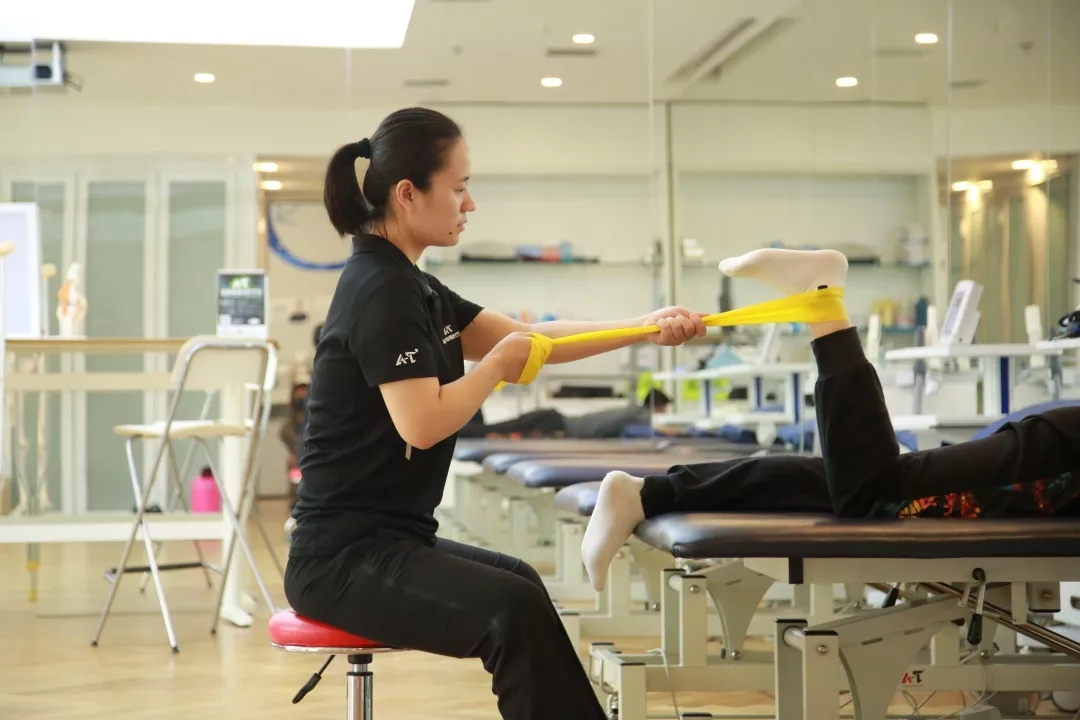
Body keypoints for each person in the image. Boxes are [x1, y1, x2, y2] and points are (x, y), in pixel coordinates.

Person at [283, 107, 708, 720]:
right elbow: (422, 423)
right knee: (512, 612)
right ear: (408, 194)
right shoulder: (381, 288)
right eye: (458, 188)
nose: (469, 204)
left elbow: (538, 341)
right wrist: (494, 368)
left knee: (522, 584)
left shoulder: (413, 285)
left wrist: (642, 329)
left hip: (388, 539)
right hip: (340, 560)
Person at [581, 247, 1080, 592]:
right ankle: (822, 299)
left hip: (1057, 448)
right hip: (1063, 453)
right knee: (876, 491)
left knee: (847, 480)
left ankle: (642, 494)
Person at [459, 388, 673, 439]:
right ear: (657, 404)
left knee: (497, 429)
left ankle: (462, 424)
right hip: (554, 423)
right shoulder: (639, 413)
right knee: (494, 431)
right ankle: (459, 428)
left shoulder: (634, 411)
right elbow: (661, 430)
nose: (663, 412)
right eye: (664, 407)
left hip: (554, 420)